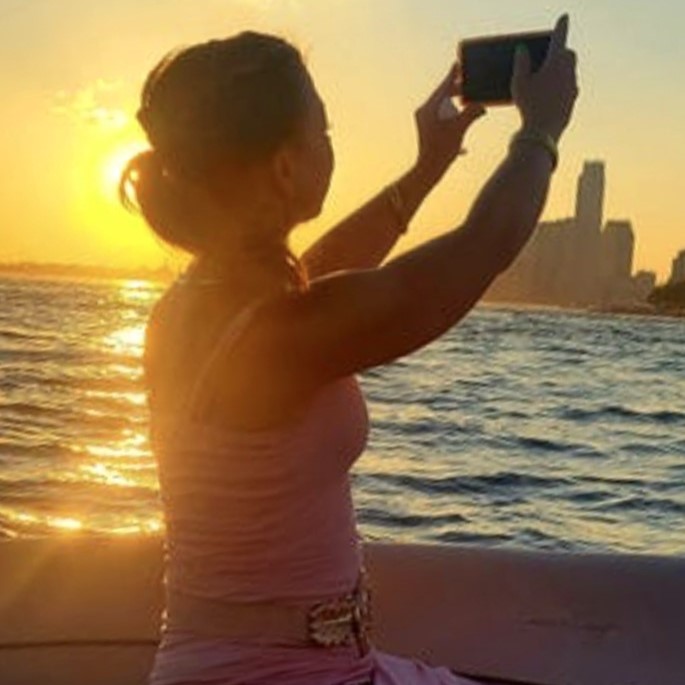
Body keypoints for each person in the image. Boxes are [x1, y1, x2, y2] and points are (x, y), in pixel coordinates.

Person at [120, 14, 578, 685]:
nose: (330, 146)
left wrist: (426, 169)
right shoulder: (279, 336)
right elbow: (482, 247)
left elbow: (323, 272)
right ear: (284, 167)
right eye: (323, 133)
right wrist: (540, 130)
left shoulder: (207, 303)